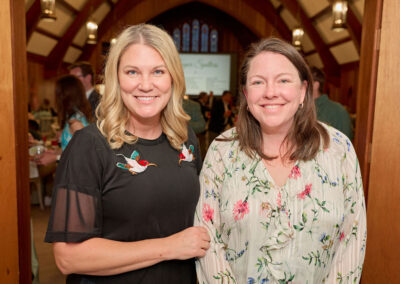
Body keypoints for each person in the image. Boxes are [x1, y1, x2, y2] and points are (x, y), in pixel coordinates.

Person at [45, 24, 210, 283]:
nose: (145, 85)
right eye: (132, 72)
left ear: (173, 78)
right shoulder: (89, 146)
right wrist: (168, 247)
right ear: (116, 78)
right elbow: (68, 257)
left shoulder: (185, 139)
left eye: (158, 71)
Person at [195, 38, 366, 283]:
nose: (270, 92)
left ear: (303, 91)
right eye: (258, 82)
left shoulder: (338, 149)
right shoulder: (223, 151)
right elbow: (207, 236)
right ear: (245, 93)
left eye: (283, 80)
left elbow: (353, 239)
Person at [35, 75, 92, 166]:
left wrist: (55, 158)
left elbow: (85, 156)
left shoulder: (76, 123)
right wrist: (55, 152)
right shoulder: (71, 118)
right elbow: (71, 149)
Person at [311, 67, 354, 140]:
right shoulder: (299, 108)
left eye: (304, 83)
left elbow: (346, 143)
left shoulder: (338, 111)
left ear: (315, 85)